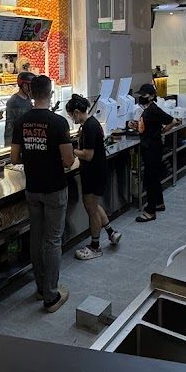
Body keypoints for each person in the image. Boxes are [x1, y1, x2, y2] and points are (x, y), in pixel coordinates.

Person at [11, 74, 73, 313]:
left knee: (36, 239)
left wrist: (33, 157)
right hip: (54, 188)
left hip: (33, 188)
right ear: (50, 93)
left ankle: (40, 288)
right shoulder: (58, 123)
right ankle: (51, 296)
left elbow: (14, 158)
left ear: (31, 93)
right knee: (53, 241)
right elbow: (68, 161)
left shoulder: (22, 122)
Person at [66, 94, 121, 260]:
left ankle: (95, 247)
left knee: (91, 209)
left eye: (71, 116)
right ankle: (111, 232)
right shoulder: (90, 124)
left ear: (77, 112)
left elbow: (88, 155)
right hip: (96, 171)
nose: (72, 119)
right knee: (94, 206)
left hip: (93, 173)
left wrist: (71, 151)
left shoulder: (89, 127)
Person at [134, 83, 178, 223]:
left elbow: (173, 121)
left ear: (152, 96)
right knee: (154, 177)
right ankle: (159, 203)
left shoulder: (153, 109)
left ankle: (150, 211)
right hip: (150, 147)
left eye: (144, 95)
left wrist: (163, 130)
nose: (141, 97)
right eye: (140, 95)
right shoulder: (148, 109)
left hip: (153, 148)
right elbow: (148, 126)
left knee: (150, 180)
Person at [3, 70, 35, 148]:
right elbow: (9, 126)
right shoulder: (13, 101)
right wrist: (9, 146)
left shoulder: (28, 98)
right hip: (17, 141)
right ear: (25, 85)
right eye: (31, 86)